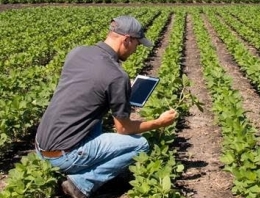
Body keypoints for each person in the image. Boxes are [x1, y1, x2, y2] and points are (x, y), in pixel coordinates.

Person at [34, 15, 177, 198]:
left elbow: (88, 89)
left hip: (41, 146)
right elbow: (123, 129)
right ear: (127, 40)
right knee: (140, 145)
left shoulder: (78, 52)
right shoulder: (116, 75)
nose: (136, 49)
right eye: (137, 44)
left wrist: (120, 92)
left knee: (96, 118)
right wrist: (159, 122)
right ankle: (82, 184)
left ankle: (79, 165)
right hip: (65, 155)